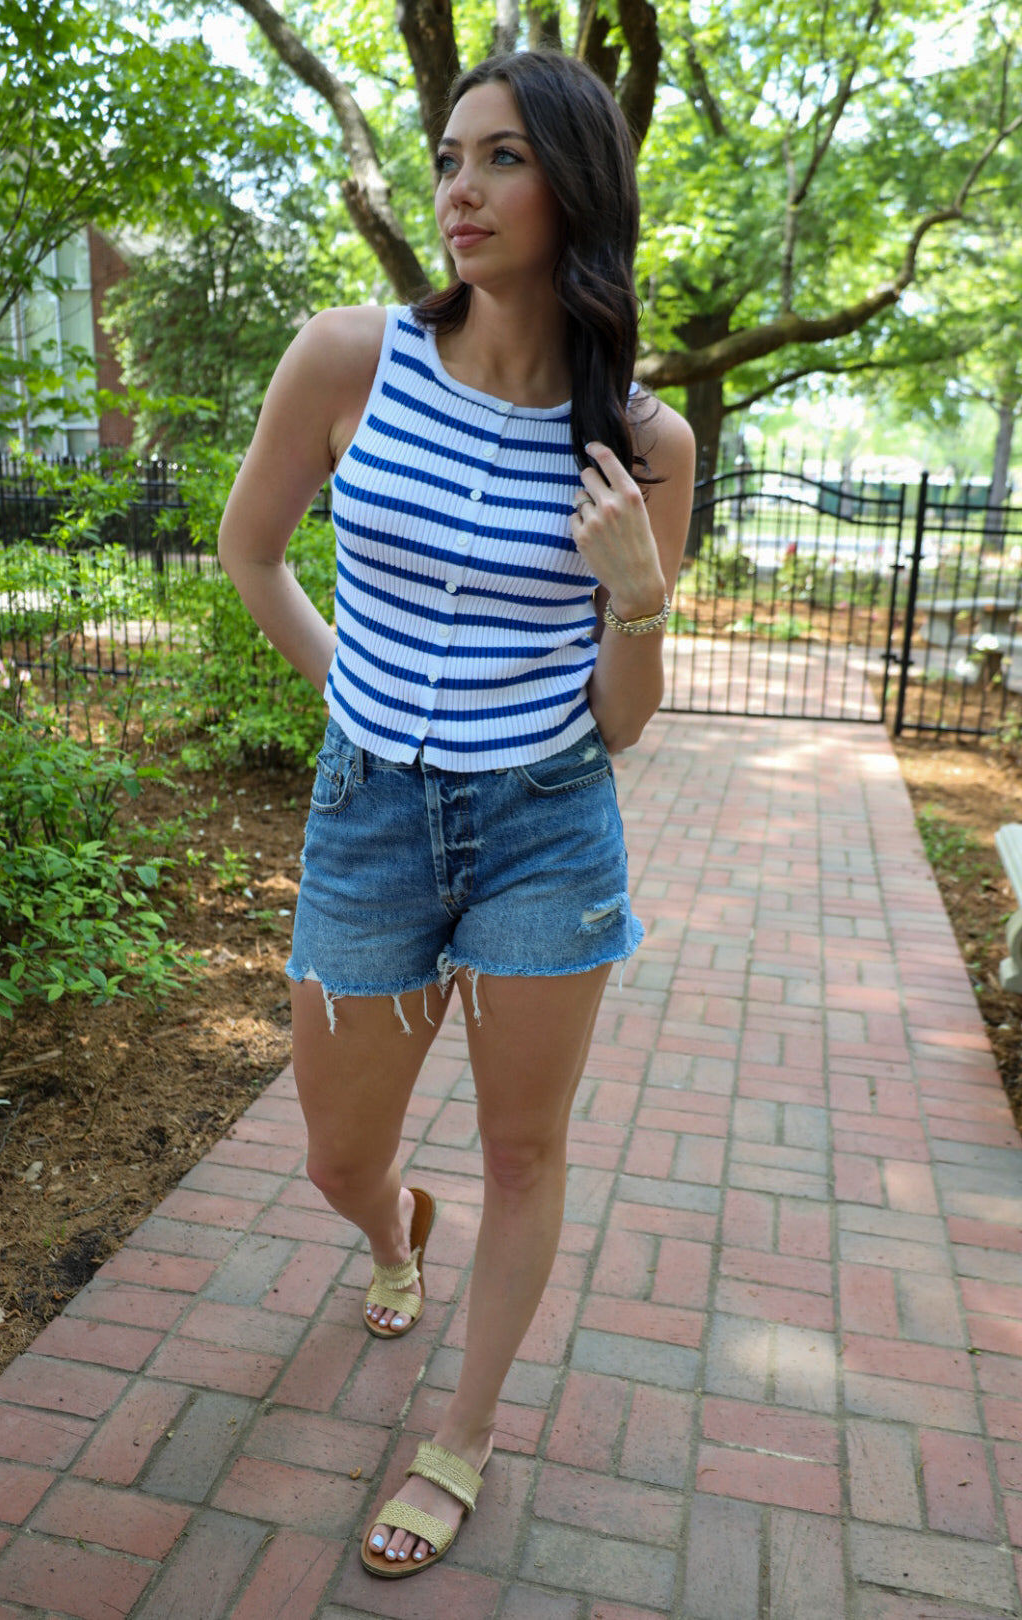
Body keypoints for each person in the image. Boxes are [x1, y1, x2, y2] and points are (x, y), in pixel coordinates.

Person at [218, 47, 695, 1580]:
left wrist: (638, 599)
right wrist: (354, 695)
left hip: (546, 822)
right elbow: (252, 550)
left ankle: (464, 1434)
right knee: (335, 1156)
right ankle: (389, 1235)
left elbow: (624, 720)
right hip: (370, 813)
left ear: (576, 185)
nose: (458, 190)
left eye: (500, 158)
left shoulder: (646, 441)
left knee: (525, 1152)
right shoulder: (350, 358)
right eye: (447, 157)